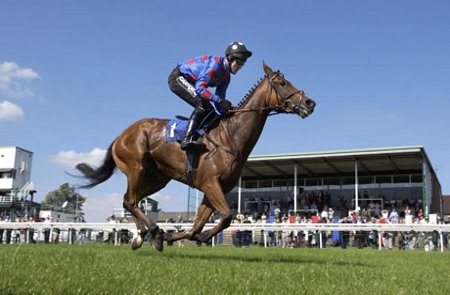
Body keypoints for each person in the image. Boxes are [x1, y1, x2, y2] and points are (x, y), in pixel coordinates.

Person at [168, 41, 252, 150]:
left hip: (191, 83)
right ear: (230, 58)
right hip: (178, 77)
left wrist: (228, 110)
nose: (241, 66)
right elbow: (200, 89)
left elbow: (219, 102)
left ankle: (198, 135)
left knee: (211, 110)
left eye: (243, 63)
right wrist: (219, 101)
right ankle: (186, 139)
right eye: (240, 62)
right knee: (202, 105)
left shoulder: (226, 77)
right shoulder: (215, 64)